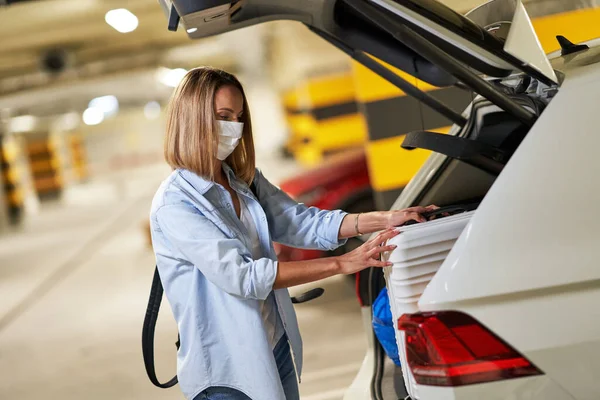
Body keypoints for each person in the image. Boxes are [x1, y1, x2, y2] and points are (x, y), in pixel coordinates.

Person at [149, 67, 435, 400]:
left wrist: (384, 219)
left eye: (239, 117)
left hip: (274, 346)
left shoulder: (243, 180)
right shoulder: (176, 203)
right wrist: (342, 263)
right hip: (227, 372)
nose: (234, 128)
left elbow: (301, 221)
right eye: (222, 116)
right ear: (191, 120)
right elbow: (242, 276)